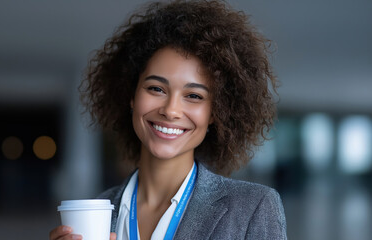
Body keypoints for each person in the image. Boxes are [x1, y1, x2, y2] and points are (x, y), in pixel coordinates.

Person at [50, 0, 287, 239]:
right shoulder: (99, 208)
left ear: (216, 112)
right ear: (131, 95)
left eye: (193, 96)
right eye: (156, 89)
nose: (171, 110)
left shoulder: (252, 208)